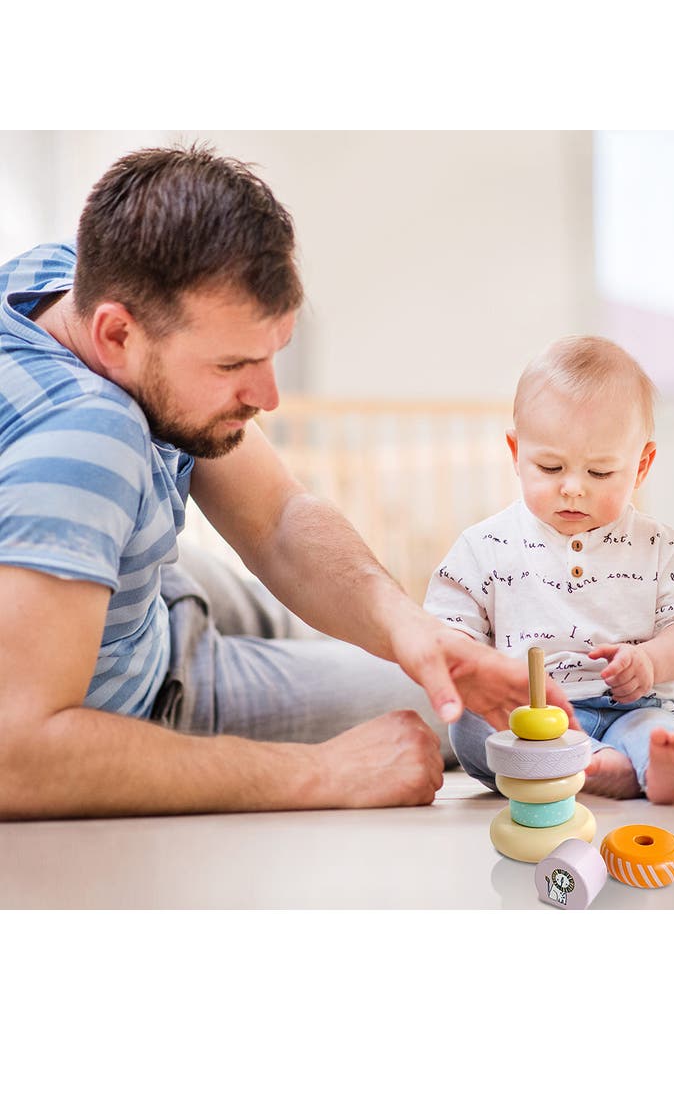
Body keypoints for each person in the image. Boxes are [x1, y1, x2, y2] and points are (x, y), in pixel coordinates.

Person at [0, 143, 574, 820]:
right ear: (116, 334)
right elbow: (16, 757)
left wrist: (409, 628)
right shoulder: (84, 441)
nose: (268, 396)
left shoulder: (56, 276)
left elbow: (274, 517)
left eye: (273, 355)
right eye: (233, 364)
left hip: (150, 584)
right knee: (449, 704)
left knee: (431, 655)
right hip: (149, 690)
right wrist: (322, 774)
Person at [424, 335, 674, 804]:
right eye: (550, 466)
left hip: (632, 706)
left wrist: (651, 661)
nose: (573, 489)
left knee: (657, 730)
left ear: (641, 466)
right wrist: (483, 672)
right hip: (527, 712)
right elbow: (446, 630)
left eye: (600, 473)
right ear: (515, 453)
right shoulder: (483, 547)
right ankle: (602, 766)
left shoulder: (660, 546)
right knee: (472, 725)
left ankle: (640, 762)